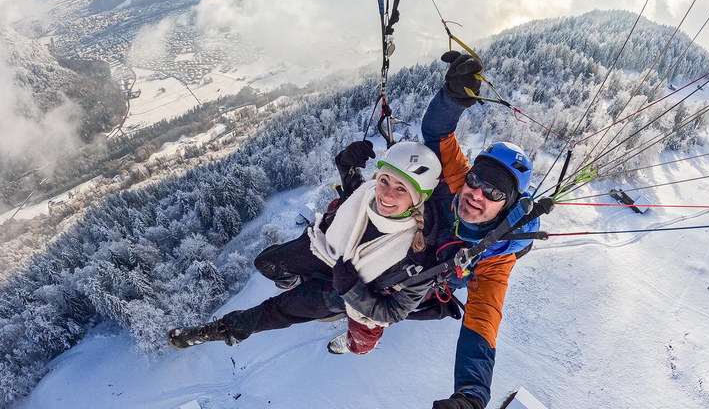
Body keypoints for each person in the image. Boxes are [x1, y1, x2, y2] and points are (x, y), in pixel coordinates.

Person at [167, 140, 444, 355]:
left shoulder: (419, 257)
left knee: (278, 312)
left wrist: (351, 289)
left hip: (347, 293)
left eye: (401, 189)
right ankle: (302, 280)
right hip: (325, 252)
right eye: (384, 180)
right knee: (266, 263)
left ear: (418, 198)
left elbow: (393, 312)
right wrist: (345, 163)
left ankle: (213, 331)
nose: (386, 194)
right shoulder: (365, 196)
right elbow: (354, 188)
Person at [417, 52, 545, 409]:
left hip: (446, 271)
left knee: (433, 286)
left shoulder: (495, 260)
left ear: (506, 203)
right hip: (427, 246)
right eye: (476, 180)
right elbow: (437, 133)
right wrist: (453, 99)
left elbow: (482, 322)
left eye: (494, 193)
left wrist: (472, 394)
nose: (476, 194)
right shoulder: (460, 181)